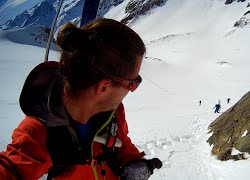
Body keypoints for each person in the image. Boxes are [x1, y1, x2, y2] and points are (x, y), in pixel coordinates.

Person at [0, 18, 162, 180]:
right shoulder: (39, 132)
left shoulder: (114, 112)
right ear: (104, 87)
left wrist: (133, 161)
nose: (130, 91)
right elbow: (10, 169)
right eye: (132, 84)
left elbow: (120, 142)